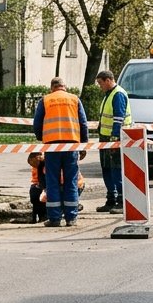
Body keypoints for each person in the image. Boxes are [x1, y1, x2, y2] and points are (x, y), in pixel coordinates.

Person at [33, 77, 88, 227]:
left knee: (52, 181)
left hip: (52, 146)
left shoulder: (46, 100)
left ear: (52, 88)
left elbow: (37, 123)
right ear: (65, 87)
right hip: (71, 146)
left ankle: (55, 218)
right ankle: (71, 218)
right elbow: (83, 123)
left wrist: (41, 137)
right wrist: (83, 145)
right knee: (71, 180)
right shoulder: (74, 99)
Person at [94, 69, 131, 214]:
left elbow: (118, 118)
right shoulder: (109, 94)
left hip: (114, 138)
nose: (100, 86)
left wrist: (115, 138)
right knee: (106, 169)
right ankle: (111, 199)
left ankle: (121, 201)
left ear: (108, 80)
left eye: (100, 83)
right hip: (105, 138)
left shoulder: (118, 94)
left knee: (116, 169)